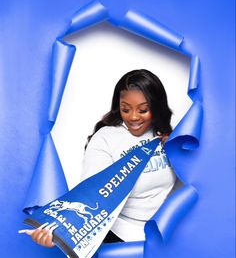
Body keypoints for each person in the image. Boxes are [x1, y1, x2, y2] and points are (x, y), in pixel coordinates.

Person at [20, 69, 177, 247]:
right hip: (118, 236)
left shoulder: (167, 137)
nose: (133, 117)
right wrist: (59, 234)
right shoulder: (106, 138)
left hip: (165, 234)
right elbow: (90, 192)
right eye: (126, 109)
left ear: (156, 108)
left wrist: (178, 147)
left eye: (143, 110)